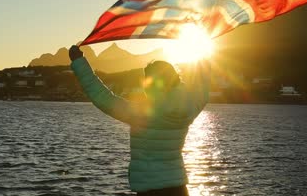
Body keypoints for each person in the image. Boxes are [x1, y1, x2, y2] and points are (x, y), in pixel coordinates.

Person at [69, 45, 211, 196]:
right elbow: (202, 87)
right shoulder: (190, 107)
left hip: (150, 190)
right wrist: (203, 55)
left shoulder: (143, 113)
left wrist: (79, 62)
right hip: (179, 188)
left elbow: (102, 97)